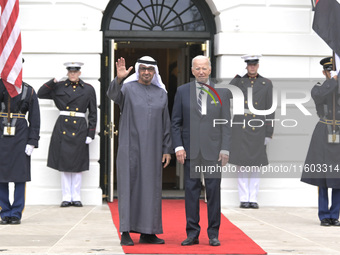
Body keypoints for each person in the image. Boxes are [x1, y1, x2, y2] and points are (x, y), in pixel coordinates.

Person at [107, 56, 172, 246]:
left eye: (150, 70)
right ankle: (125, 231)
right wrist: (119, 79)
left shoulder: (161, 93)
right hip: (130, 147)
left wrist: (167, 149)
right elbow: (113, 95)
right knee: (128, 187)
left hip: (153, 150)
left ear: (155, 72)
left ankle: (148, 232)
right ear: (138, 70)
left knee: (151, 190)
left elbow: (165, 122)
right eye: (143, 69)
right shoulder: (127, 89)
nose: (146, 72)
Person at [171, 55, 231, 246]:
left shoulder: (221, 92)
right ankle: (192, 233)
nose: (201, 71)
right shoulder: (182, 91)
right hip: (190, 152)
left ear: (210, 69)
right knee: (191, 192)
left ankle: (213, 233)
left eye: (204, 68)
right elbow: (175, 122)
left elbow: (226, 124)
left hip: (214, 152)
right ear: (192, 70)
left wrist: (225, 149)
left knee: (213, 192)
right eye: (197, 68)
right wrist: (178, 146)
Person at [38, 62, 97, 208]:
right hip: (63, 125)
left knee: (77, 164)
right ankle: (66, 197)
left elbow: (93, 113)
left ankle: (76, 197)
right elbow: (40, 93)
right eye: (70, 71)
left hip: (80, 127)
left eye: (75, 71)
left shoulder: (88, 89)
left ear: (79, 73)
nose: (72, 74)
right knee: (64, 164)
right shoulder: (58, 86)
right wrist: (53, 81)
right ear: (67, 72)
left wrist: (91, 133)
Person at [229, 54, 275, 209]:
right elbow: (229, 93)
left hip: (258, 127)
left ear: (258, 65)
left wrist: (269, 132)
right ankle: (243, 198)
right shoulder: (239, 82)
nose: (252, 67)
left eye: (254, 64)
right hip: (241, 127)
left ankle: (253, 198)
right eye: (249, 65)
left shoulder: (266, 83)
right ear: (246, 66)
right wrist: (238, 76)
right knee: (241, 165)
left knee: (255, 165)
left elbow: (270, 109)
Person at [301, 56, 340, 227]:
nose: (331, 73)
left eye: (334, 70)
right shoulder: (319, 87)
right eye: (329, 71)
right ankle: (324, 215)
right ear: (324, 72)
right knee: (322, 176)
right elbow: (321, 95)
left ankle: (335, 214)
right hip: (324, 131)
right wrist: (333, 81)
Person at [0, 78, 40, 225]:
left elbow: (35, 118)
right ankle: (4, 212)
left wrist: (32, 141)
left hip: (21, 135)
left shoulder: (28, 90)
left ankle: (16, 213)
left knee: (20, 176)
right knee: (1, 176)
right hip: (1, 133)